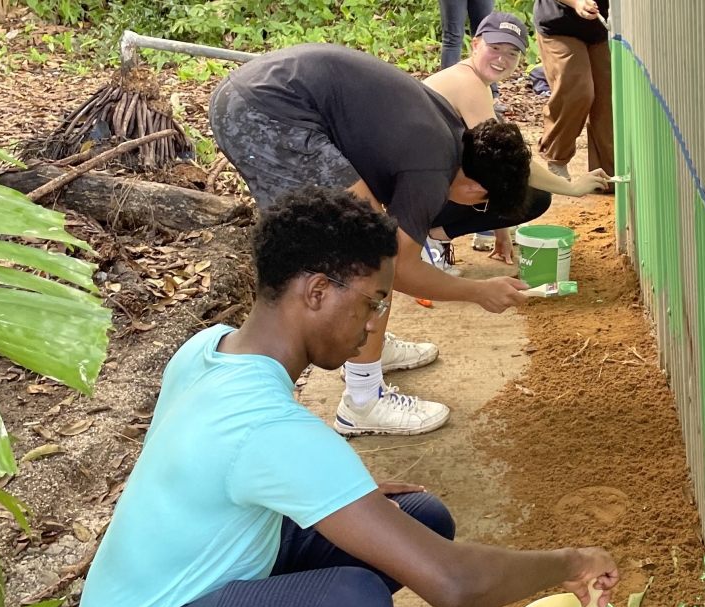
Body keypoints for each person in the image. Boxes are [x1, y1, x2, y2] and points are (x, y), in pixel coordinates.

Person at [68, 187, 620, 607]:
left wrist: (339, 495)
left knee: (419, 517)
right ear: (315, 293)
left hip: (199, 591)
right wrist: (572, 562)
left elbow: (199, 470)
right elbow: (453, 583)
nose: (377, 322)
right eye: (373, 303)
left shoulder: (208, 348)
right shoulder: (268, 427)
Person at [208, 43, 533, 437]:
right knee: (371, 256)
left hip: (262, 94)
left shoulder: (451, 128)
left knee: (367, 241)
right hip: (266, 111)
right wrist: (478, 291)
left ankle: (362, 340)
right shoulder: (432, 169)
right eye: (482, 204)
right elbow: (398, 269)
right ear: (478, 188)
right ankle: (363, 400)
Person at [423, 11, 610, 266]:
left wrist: (501, 232)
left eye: (512, 52)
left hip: (417, 186)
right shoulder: (468, 85)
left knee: (504, 180)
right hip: (411, 195)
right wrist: (572, 188)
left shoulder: (474, 82)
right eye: (495, 47)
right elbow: (507, 163)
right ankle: (432, 237)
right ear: (476, 44)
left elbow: (489, 160)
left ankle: (439, 233)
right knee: (533, 195)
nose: (502, 58)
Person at [533, 0, 613, 181]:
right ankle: (557, 156)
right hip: (560, 25)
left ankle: (608, 174)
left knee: (607, 100)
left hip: (604, 28)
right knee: (578, 91)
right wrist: (576, 2)